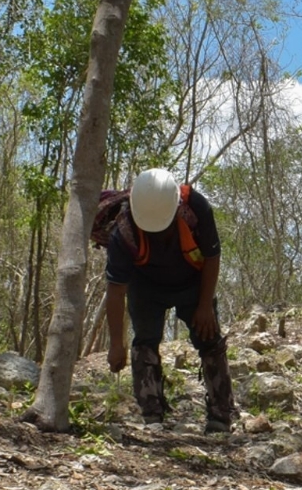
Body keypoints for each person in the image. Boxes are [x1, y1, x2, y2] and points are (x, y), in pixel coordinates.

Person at [93, 168, 235, 433]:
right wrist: (115, 343)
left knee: (210, 339)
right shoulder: (123, 233)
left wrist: (205, 306)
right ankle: (152, 416)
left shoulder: (196, 208)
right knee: (145, 343)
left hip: (193, 282)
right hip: (145, 286)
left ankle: (221, 415)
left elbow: (212, 256)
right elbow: (116, 289)